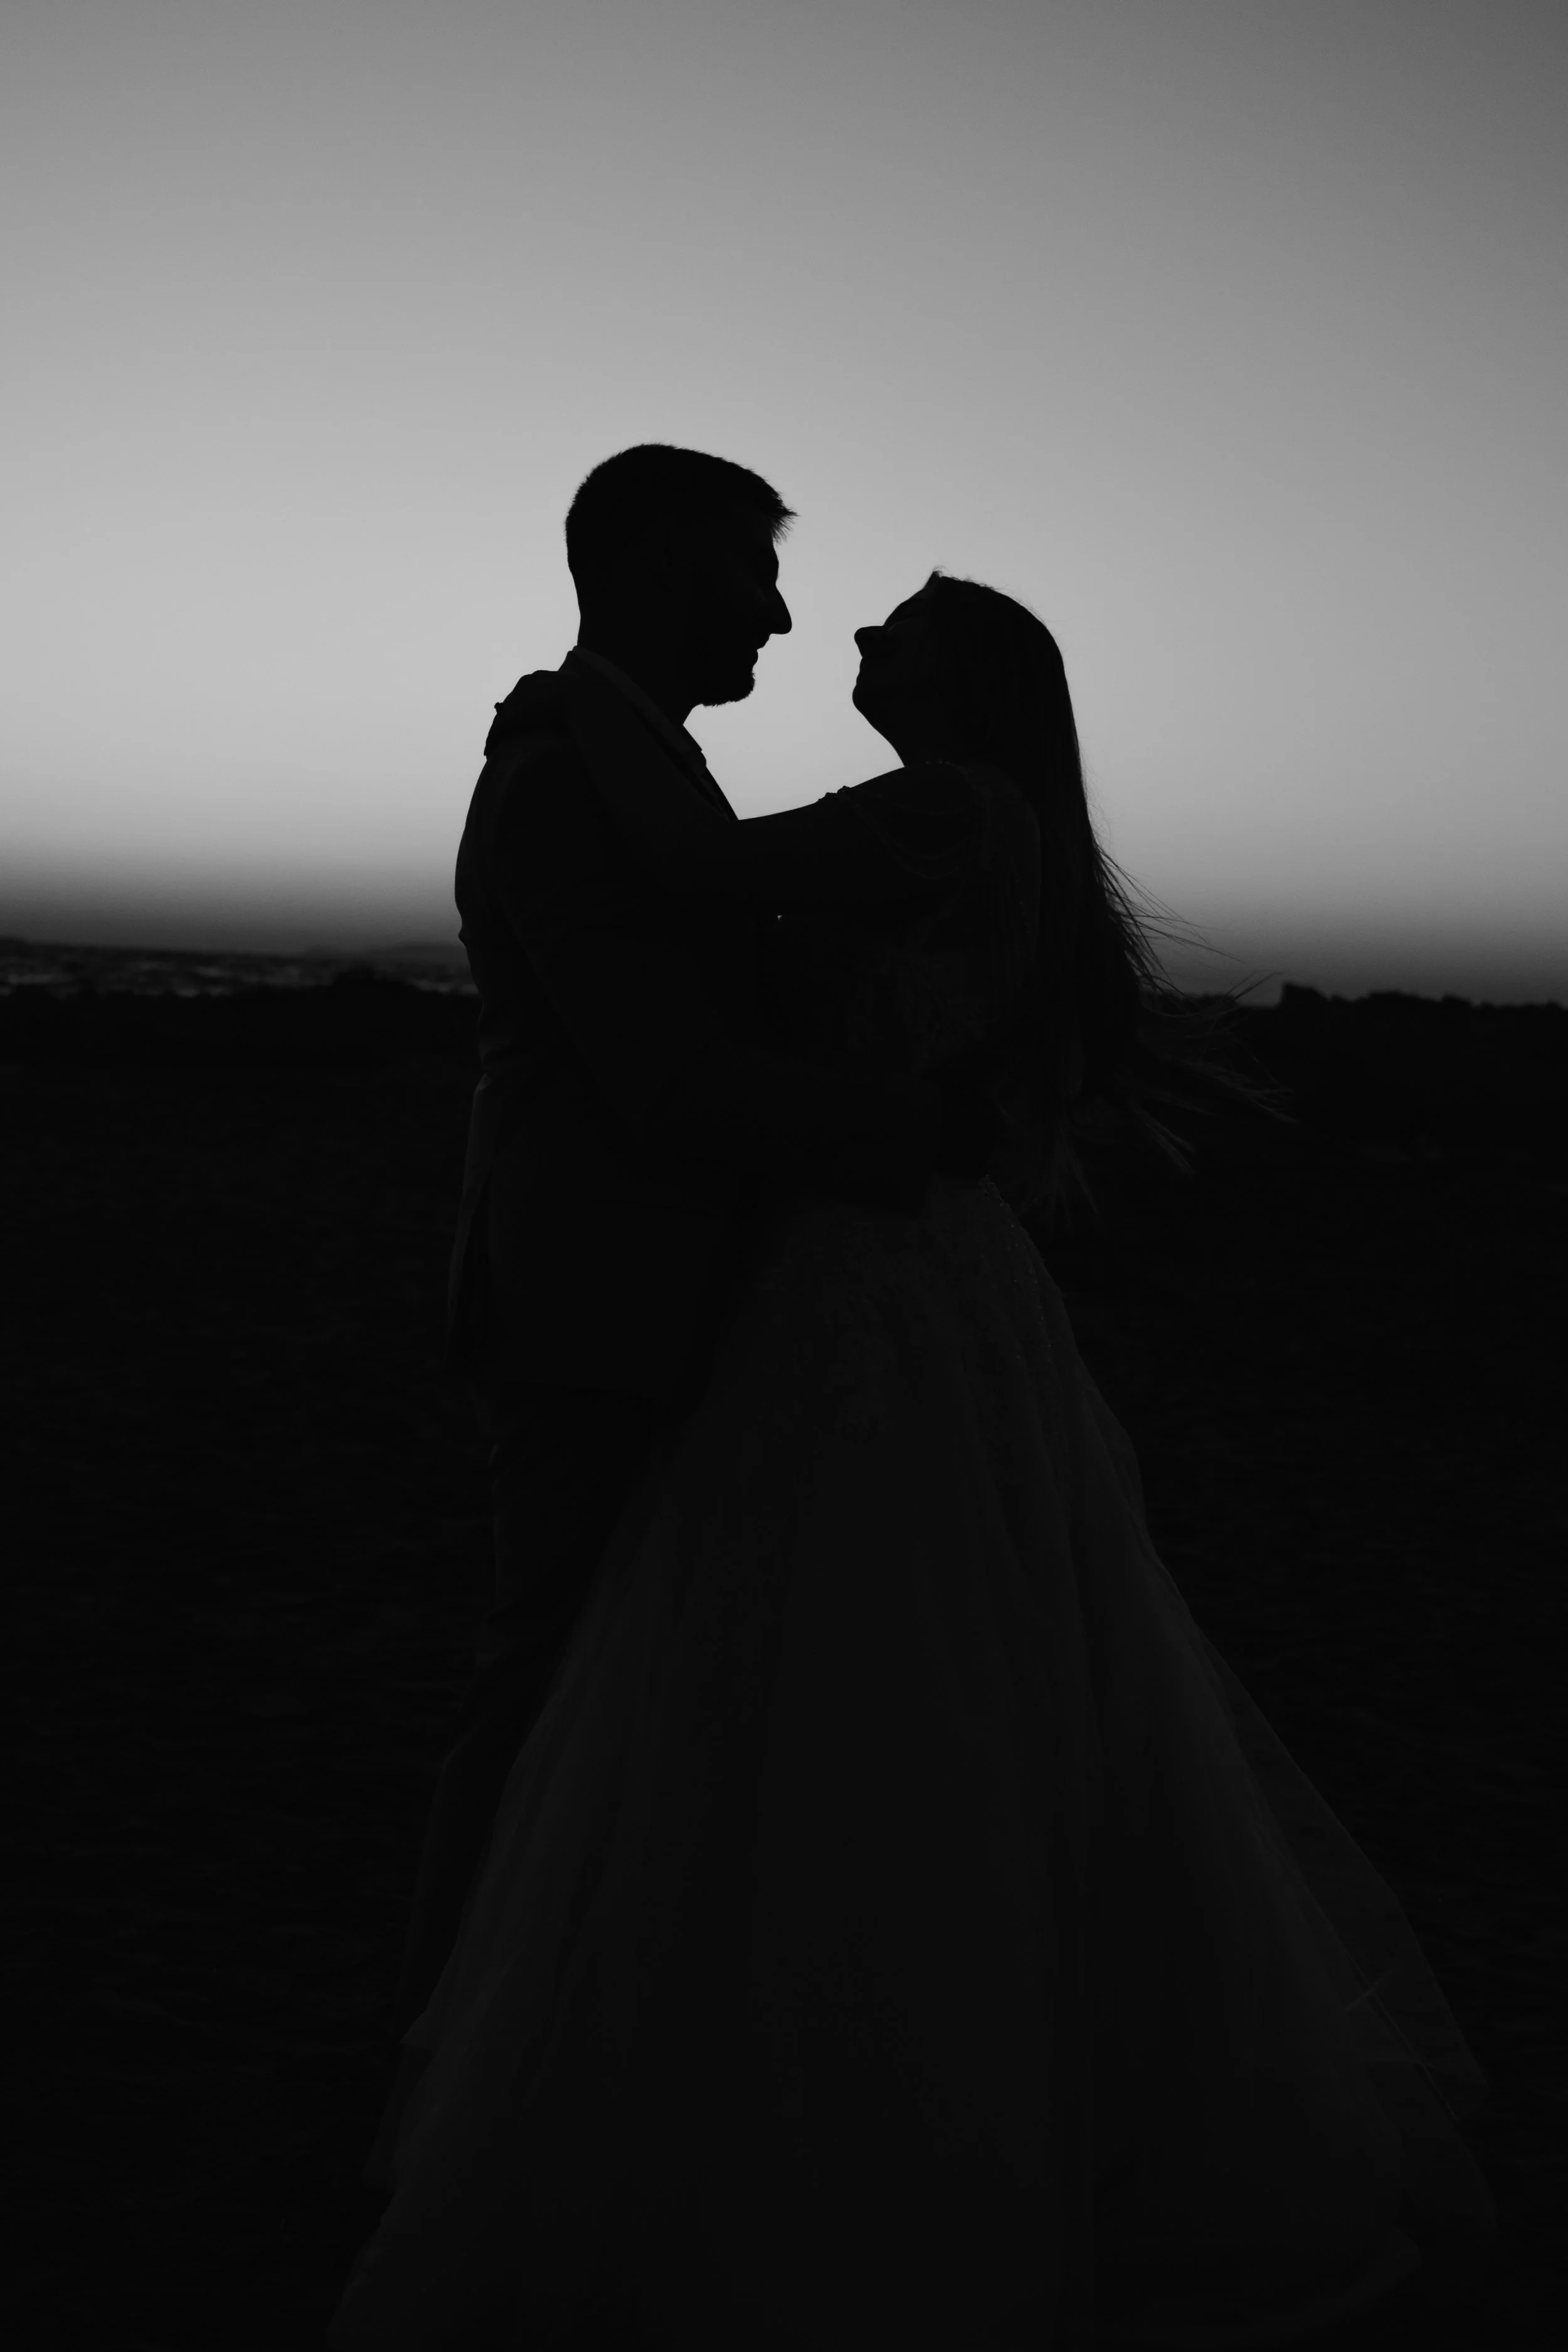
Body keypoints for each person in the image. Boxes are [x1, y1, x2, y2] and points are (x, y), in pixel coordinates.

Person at [334, 567, 1499, 2349]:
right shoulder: (974, 817)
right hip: (911, 1259)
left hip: (866, 1266)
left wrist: (569, 710)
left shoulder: (945, 806)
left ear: (950, 675)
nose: (837, 637)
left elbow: (710, 880)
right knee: (919, 1654)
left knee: (838, 1660)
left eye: (883, 624)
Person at [378, 448, 1002, 2158]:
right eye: (749, 570)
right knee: (543, 1688)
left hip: (703, 1302)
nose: (785, 612)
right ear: (650, 561)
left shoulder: (636, 766)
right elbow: (659, 1078)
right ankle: (443, 2085)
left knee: (641, 1703)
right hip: (595, 1305)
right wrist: (911, 1137)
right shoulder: (565, 779)